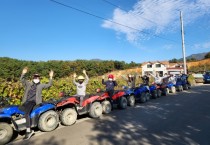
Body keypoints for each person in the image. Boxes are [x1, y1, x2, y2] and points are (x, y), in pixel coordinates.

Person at [20, 67, 53, 140]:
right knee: (18, 112)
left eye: (37, 77)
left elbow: (49, 85)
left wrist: (51, 77)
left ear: (39, 78)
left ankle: (29, 131)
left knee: (26, 114)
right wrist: (23, 73)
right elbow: (22, 80)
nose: (36, 77)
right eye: (35, 76)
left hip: (33, 102)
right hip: (25, 101)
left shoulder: (41, 85)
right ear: (33, 77)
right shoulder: (28, 84)